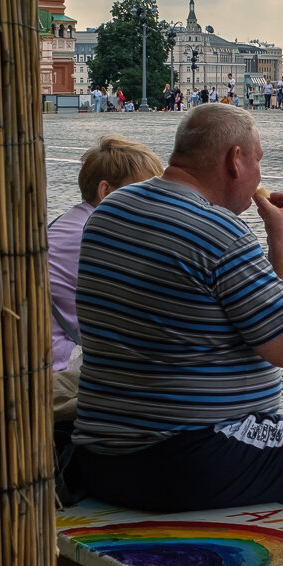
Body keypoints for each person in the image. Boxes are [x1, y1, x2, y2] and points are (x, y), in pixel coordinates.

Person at [72, 104, 283, 512]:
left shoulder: (111, 211)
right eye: (258, 159)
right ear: (235, 161)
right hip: (190, 458)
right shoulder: (219, 232)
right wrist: (282, 239)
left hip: (103, 457)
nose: (259, 173)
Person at [48, 136, 164, 419]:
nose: (157, 204)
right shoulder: (98, 237)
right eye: (145, 193)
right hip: (61, 373)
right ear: (106, 191)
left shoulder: (68, 223)